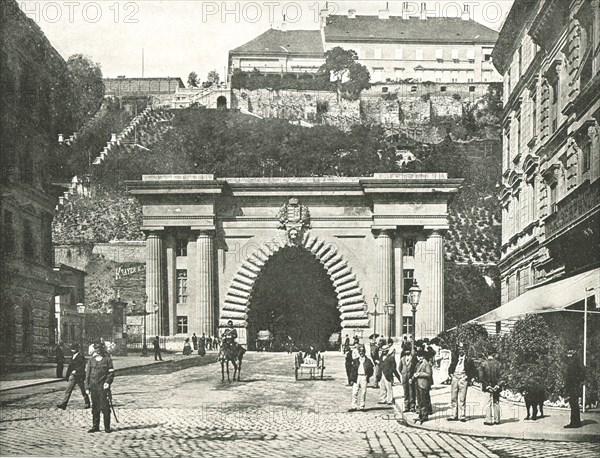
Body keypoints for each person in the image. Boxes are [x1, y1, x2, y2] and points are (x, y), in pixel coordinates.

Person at [85, 342, 115, 433]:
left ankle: (107, 427)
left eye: (99, 349)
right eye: (96, 349)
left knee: (105, 407)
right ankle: (95, 426)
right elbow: (87, 375)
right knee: (95, 407)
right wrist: (87, 387)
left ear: (102, 349)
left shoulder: (107, 360)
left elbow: (111, 373)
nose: (97, 351)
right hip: (94, 387)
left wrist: (107, 382)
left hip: (103, 387)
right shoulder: (91, 361)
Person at [447, 342, 476, 422]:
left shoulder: (468, 359)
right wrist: (451, 374)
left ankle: (462, 415)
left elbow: (473, 370)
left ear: (465, 349)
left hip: (463, 377)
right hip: (455, 377)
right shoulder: (455, 357)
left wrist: (468, 377)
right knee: (453, 397)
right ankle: (453, 415)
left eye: (462, 348)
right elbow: (451, 366)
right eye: (459, 348)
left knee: (462, 398)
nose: (461, 350)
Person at [57, 343, 90, 410]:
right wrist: (67, 376)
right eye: (72, 349)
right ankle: (64, 404)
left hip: (79, 376)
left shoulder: (81, 356)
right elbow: (70, 367)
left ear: (77, 349)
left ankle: (87, 403)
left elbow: (82, 366)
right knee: (68, 390)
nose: (72, 350)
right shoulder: (72, 356)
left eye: (74, 349)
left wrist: (76, 370)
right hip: (72, 376)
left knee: (83, 390)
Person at [563, 348, 585, 428]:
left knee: (573, 404)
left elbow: (570, 377)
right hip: (575, 386)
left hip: (573, 386)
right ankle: (576, 422)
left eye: (569, 353)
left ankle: (574, 423)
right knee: (574, 404)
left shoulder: (573, 363)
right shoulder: (576, 362)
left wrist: (569, 386)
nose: (568, 354)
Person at [349, 346, 374, 411]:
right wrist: (351, 379)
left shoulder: (368, 361)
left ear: (364, 352)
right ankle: (353, 406)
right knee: (354, 392)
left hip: (364, 377)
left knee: (363, 392)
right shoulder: (356, 360)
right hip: (357, 377)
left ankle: (362, 406)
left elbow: (371, 370)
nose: (361, 353)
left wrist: (367, 376)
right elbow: (352, 370)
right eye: (360, 352)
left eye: (362, 351)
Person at [411, 350, 433, 424]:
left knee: (424, 400)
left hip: (423, 384)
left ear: (423, 357)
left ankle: (425, 416)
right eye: (419, 357)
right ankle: (420, 415)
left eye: (421, 357)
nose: (419, 358)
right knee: (419, 400)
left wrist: (419, 374)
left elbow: (429, 374)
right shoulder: (419, 364)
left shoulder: (426, 364)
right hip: (418, 384)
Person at [481, 352, 502, 426]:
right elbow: (501, 376)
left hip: (487, 386)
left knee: (488, 403)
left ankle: (488, 420)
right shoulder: (499, 364)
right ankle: (497, 420)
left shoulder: (483, 364)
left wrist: (487, 386)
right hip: (496, 386)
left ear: (487, 355)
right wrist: (497, 385)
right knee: (496, 402)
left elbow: (482, 377)